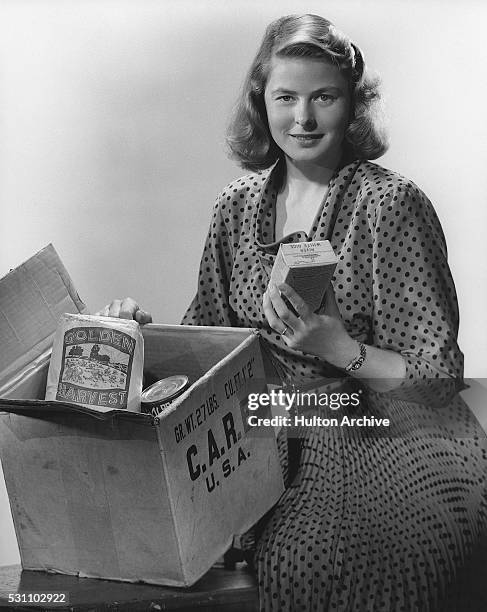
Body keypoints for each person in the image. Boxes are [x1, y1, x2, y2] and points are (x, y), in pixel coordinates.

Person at [100, 14, 487, 611]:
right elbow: (212, 344)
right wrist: (140, 335)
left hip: (392, 432)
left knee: (322, 558)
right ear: (263, 102)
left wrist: (340, 349)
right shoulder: (236, 206)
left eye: (324, 97)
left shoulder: (392, 205)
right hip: (270, 423)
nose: (303, 119)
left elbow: (437, 376)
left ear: (352, 104)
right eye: (286, 97)